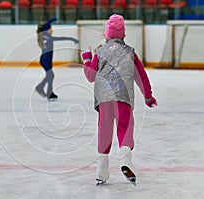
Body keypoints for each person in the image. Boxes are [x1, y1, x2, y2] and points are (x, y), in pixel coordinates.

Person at [81, 14, 157, 185]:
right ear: (123, 35)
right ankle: (125, 159)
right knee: (125, 126)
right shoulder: (130, 52)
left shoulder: (99, 52)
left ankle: (102, 169)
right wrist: (148, 96)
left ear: (106, 34)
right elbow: (141, 76)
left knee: (104, 129)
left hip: (103, 97)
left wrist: (86, 60)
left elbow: (90, 76)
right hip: (123, 95)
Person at [35, 18, 79, 100]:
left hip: (46, 60)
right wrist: (54, 19)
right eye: (51, 28)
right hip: (45, 60)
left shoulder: (46, 37)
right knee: (50, 75)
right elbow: (46, 26)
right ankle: (42, 89)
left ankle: (46, 91)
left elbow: (61, 38)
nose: (52, 30)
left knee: (50, 75)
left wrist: (71, 39)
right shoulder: (45, 36)